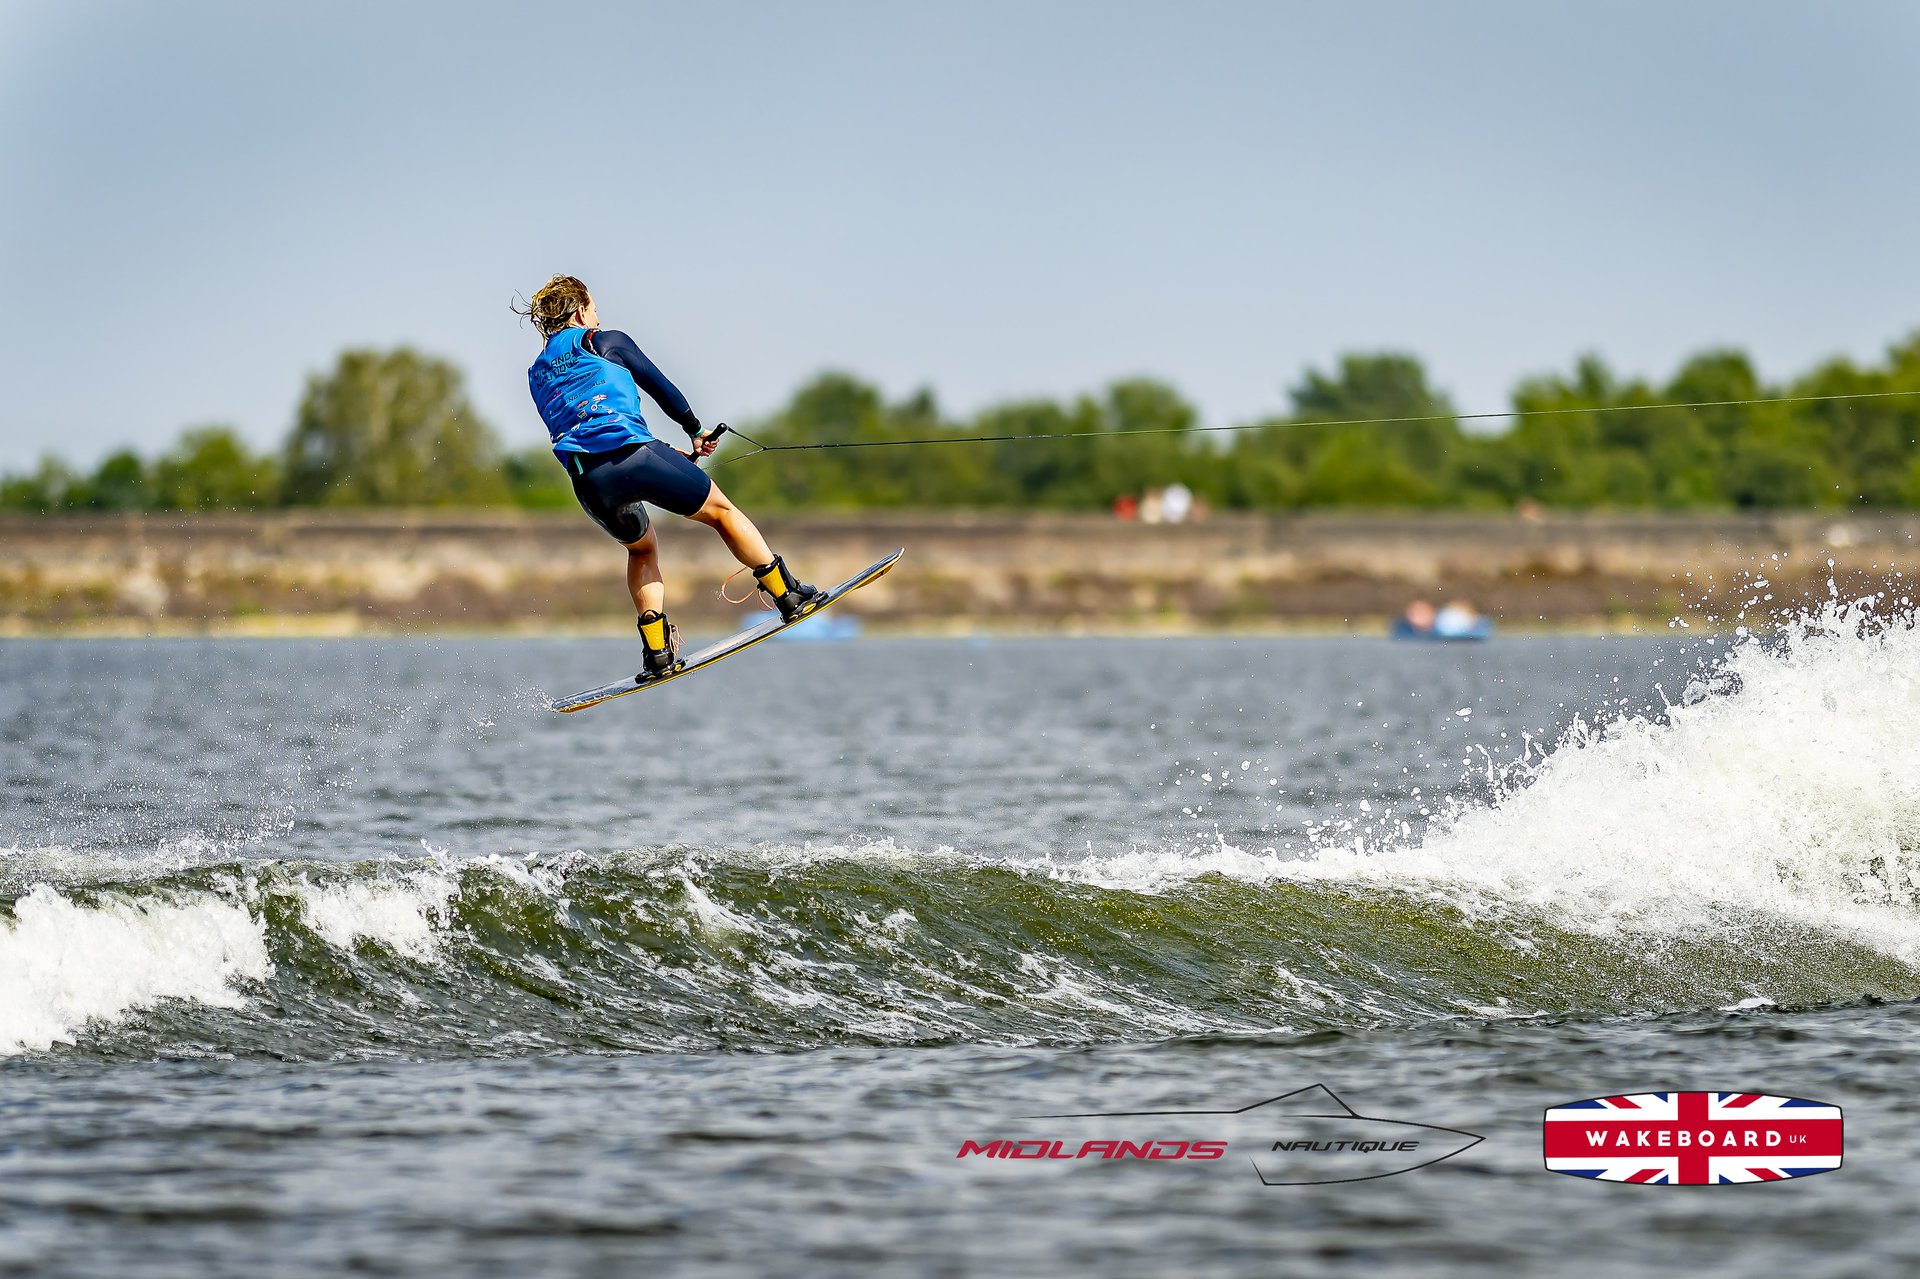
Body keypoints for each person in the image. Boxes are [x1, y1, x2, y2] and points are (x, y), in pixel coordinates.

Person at [514, 275, 821, 676]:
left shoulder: (536, 373)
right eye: (594, 309)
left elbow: (587, 428)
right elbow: (661, 388)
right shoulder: (604, 341)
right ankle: (789, 595)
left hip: (589, 482)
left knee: (641, 550)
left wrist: (665, 454)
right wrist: (695, 430)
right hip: (637, 457)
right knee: (722, 513)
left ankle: (657, 652)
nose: (598, 317)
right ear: (580, 312)